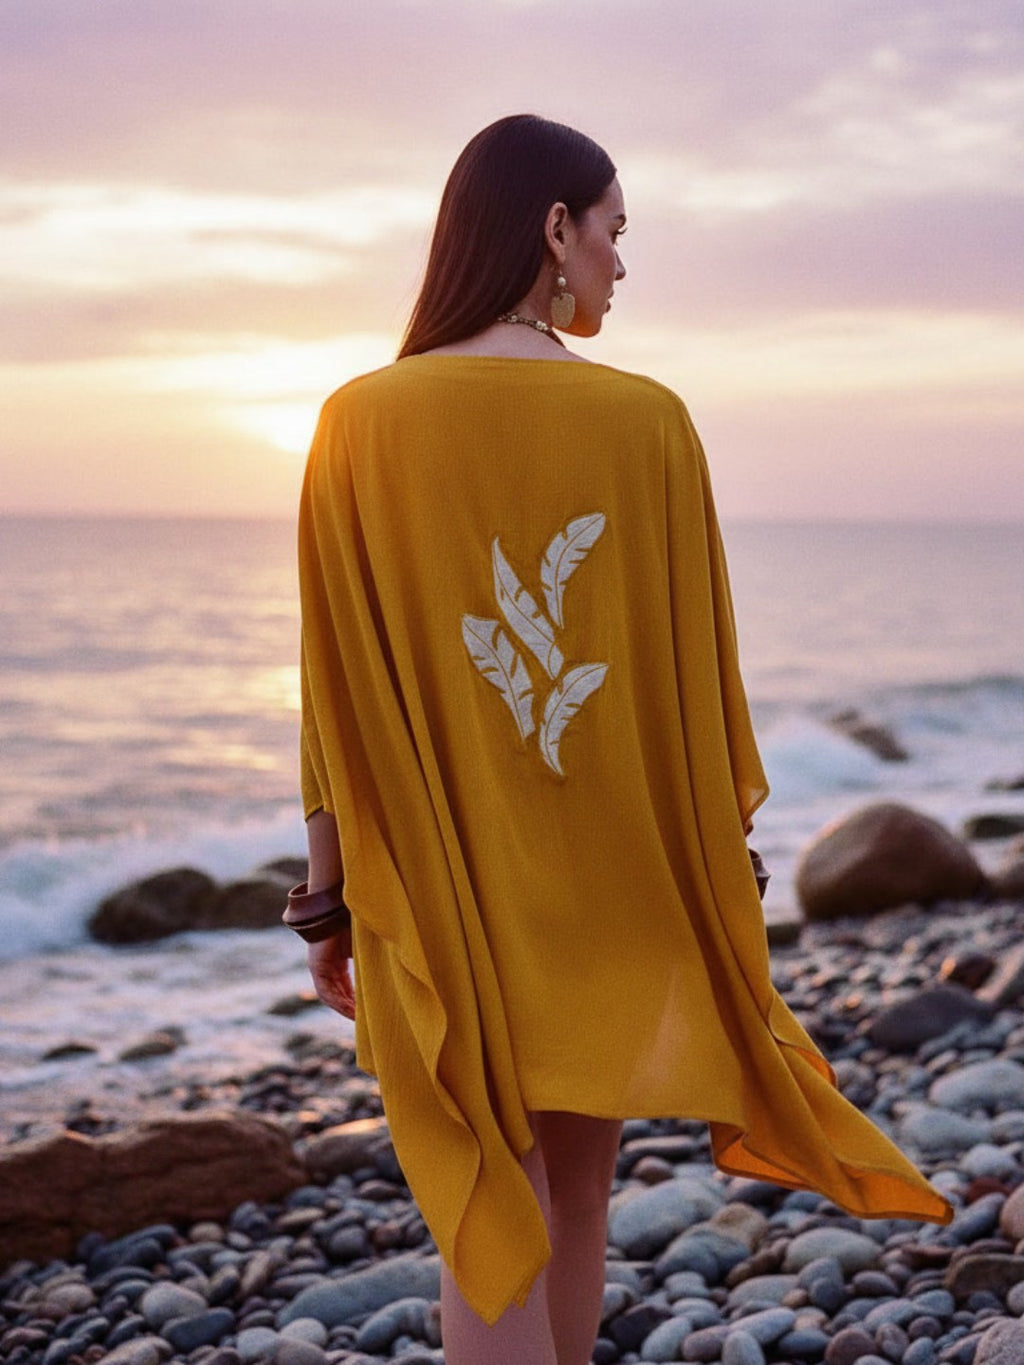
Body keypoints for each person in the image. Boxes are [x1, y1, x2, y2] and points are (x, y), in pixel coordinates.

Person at [289, 114, 951, 1365]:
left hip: (452, 884)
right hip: (618, 878)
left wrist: (328, 904)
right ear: (554, 229)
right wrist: (720, 871)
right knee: (578, 1192)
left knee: (493, 1201)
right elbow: (698, 687)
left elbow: (337, 701)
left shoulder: (356, 423)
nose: (620, 266)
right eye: (613, 231)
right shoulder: (649, 423)